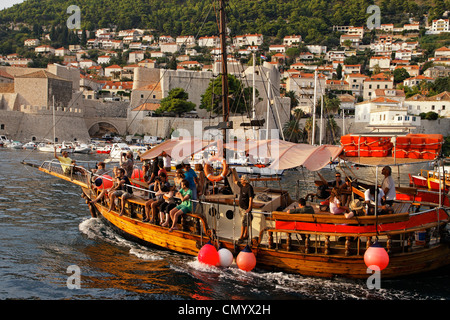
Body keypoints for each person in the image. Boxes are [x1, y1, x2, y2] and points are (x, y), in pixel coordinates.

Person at [232, 174, 255, 243]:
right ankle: (246, 234)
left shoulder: (249, 188)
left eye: (242, 179)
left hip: (245, 208)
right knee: (245, 222)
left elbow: (251, 198)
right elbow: (235, 181)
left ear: (245, 181)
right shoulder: (242, 185)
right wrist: (233, 172)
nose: (240, 180)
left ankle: (241, 237)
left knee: (243, 223)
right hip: (241, 207)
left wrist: (249, 208)